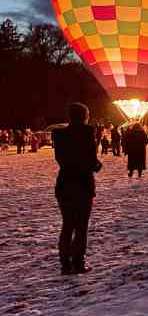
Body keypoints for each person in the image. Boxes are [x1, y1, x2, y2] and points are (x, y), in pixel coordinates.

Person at [52, 103, 102, 275]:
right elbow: (89, 160)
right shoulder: (86, 133)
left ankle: (65, 263)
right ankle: (78, 262)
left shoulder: (59, 135)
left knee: (67, 224)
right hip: (82, 184)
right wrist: (96, 166)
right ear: (84, 116)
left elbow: (62, 159)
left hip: (64, 183)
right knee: (81, 226)